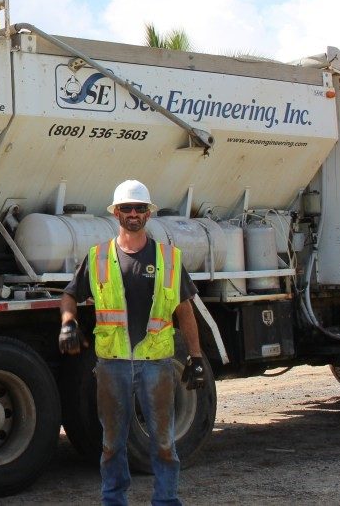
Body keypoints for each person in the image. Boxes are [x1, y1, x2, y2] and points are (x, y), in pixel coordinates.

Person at [58, 179, 206, 506]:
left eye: (140, 208)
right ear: (117, 214)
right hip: (113, 366)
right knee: (112, 444)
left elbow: (185, 310)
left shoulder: (168, 258)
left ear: (149, 214)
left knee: (164, 442)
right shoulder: (98, 258)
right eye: (127, 208)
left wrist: (195, 357)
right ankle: (114, 501)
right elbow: (69, 295)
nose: (134, 213)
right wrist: (68, 323)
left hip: (157, 364)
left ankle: (166, 501)